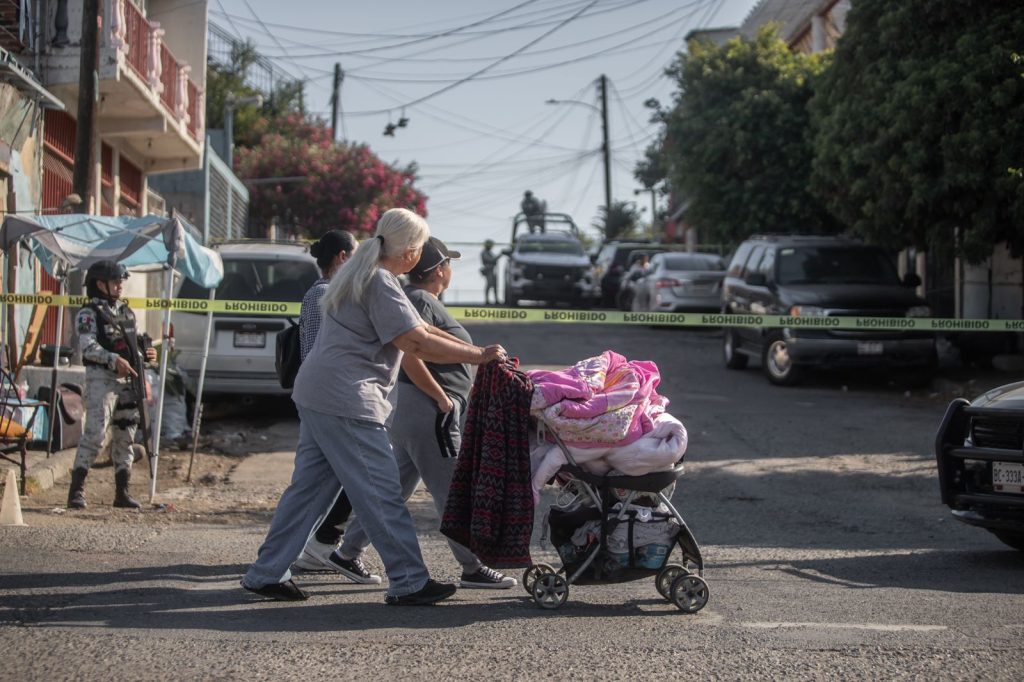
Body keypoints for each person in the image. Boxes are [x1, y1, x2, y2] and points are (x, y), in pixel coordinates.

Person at [240, 208, 508, 605]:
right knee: (381, 493)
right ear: (412, 252)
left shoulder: (363, 273)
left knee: (308, 492)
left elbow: (422, 330)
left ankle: (266, 573)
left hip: (319, 394)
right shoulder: (379, 280)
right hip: (347, 399)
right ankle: (410, 580)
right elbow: (415, 342)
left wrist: (475, 352)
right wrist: (479, 355)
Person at [335, 237, 516, 590]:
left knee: (397, 487)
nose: (451, 270)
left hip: (418, 411)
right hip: (428, 408)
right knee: (451, 489)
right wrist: (441, 398)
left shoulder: (423, 300)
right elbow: (411, 352)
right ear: (438, 270)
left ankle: (345, 552)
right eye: (448, 263)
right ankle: (472, 567)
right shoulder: (419, 299)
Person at [290, 230, 363, 576]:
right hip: (325, 400)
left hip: (319, 398)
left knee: (317, 480)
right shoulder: (324, 295)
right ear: (343, 257)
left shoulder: (323, 294)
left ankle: (307, 547)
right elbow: (323, 353)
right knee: (341, 478)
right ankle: (318, 546)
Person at [66, 260, 158, 510]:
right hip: (102, 379)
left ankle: (122, 492)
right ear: (100, 284)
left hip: (129, 380)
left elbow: (132, 341)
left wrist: (146, 351)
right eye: (116, 281)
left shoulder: (125, 312)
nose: (120, 286)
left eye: (121, 282)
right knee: (95, 435)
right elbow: (87, 344)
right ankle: (76, 491)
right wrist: (112, 359)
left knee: (126, 434)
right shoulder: (89, 313)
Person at [480, 239, 499, 305]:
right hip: (488, 271)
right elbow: (491, 260)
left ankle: (496, 299)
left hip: (492, 270)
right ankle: (487, 300)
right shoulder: (484, 252)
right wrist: (499, 256)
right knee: (489, 284)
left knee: (495, 285)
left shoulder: (489, 252)